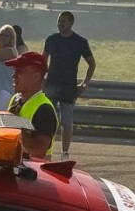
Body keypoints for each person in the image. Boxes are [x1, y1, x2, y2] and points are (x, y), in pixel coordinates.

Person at [42, 11, 95, 162]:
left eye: (63, 22)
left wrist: (84, 84)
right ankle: (46, 150)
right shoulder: (51, 39)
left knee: (66, 122)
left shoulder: (80, 42)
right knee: (48, 120)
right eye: (59, 21)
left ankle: (65, 153)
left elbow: (92, 63)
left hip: (69, 87)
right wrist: (41, 80)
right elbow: (42, 60)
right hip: (51, 84)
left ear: (71, 23)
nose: (60, 24)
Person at [7, 51, 58, 159]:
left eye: (19, 72)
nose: (13, 76)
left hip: (34, 174)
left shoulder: (44, 109)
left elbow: (39, 152)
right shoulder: (15, 99)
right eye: (14, 71)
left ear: (36, 77)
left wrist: (12, 125)